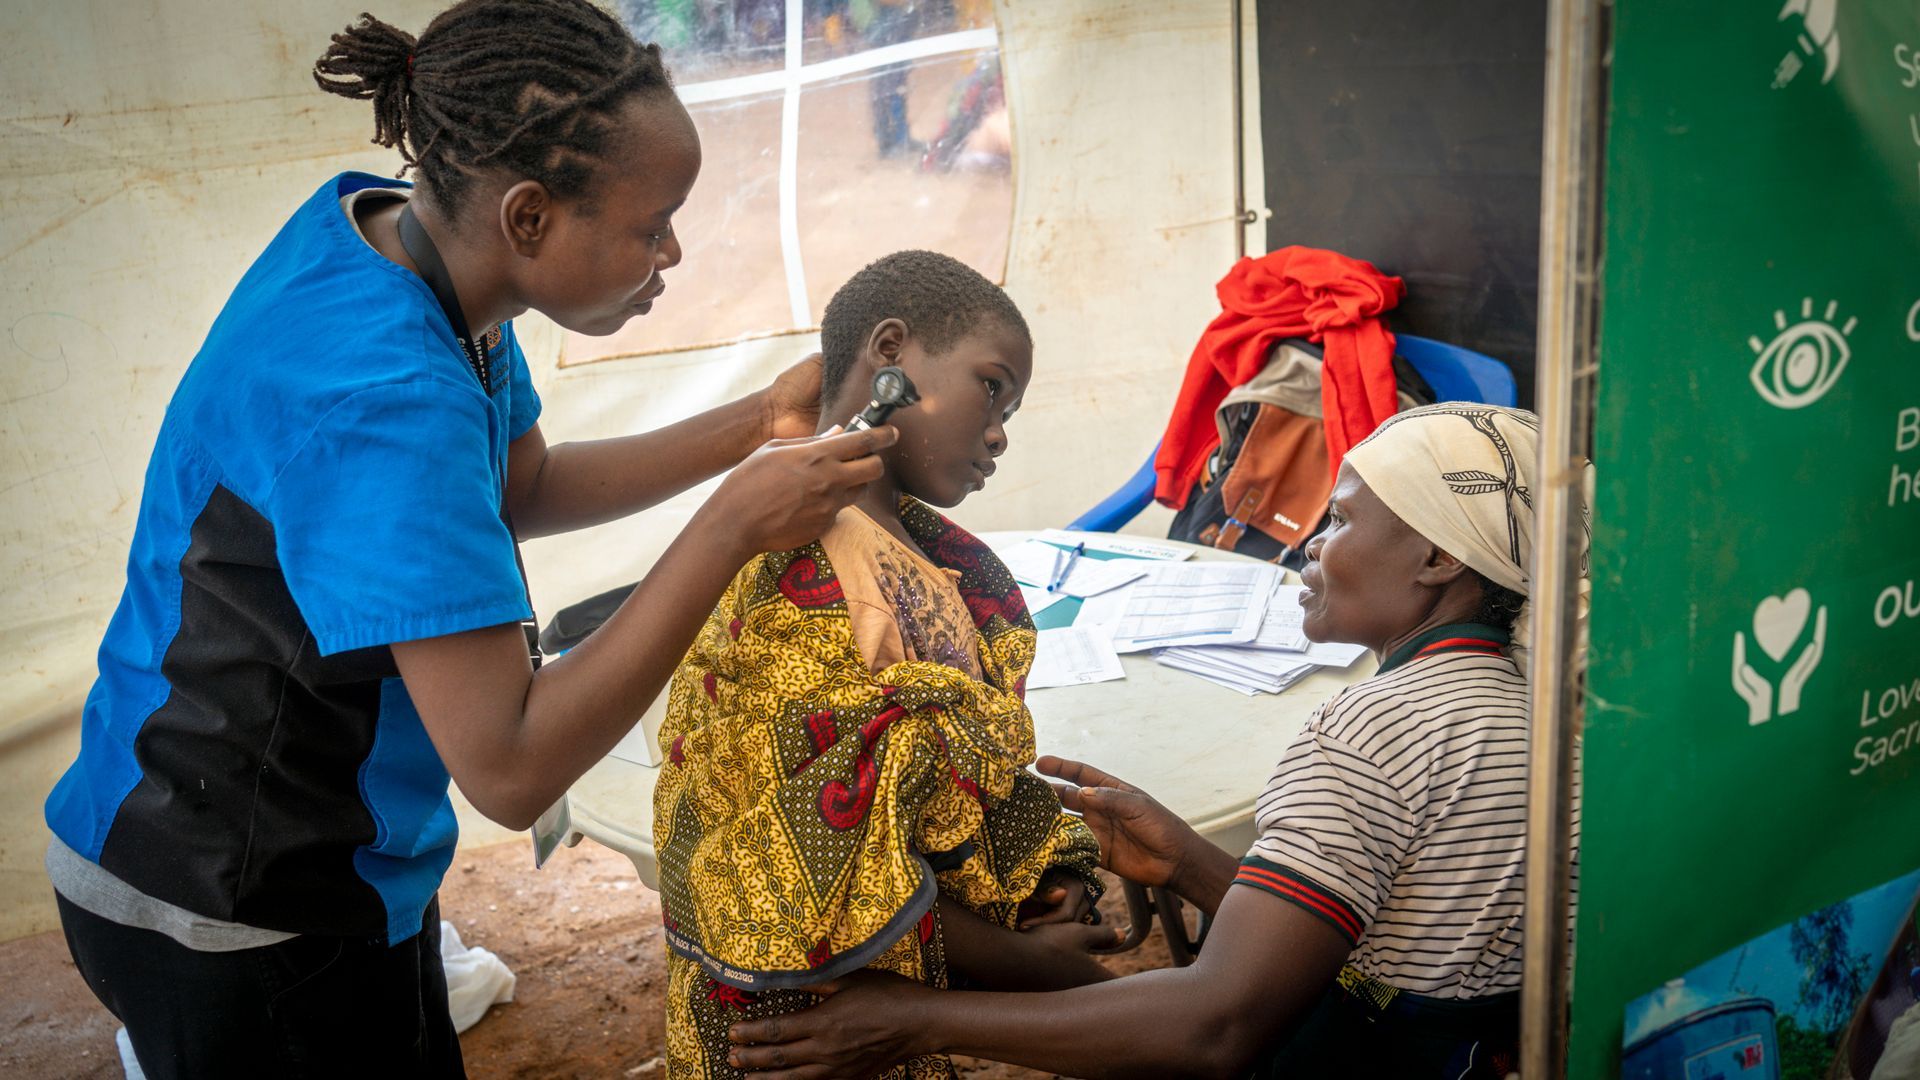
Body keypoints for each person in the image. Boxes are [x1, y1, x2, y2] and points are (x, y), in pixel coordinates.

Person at [39, 2, 897, 1075]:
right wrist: (728, 528)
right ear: (530, 218)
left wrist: (754, 427)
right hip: (234, 907)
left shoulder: (405, 247)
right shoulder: (383, 397)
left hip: (296, 857)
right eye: (652, 222)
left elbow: (517, 480)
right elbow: (512, 765)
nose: (673, 250)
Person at [726, 403, 1586, 1079]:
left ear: (1438, 558)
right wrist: (1191, 865)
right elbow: (1401, 941)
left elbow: (1217, 1027)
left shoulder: (1374, 730)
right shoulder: (1521, 706)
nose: (1312, 551)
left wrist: (911, 1020)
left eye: (1343, 523)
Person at [652, 251, 1112, 1078]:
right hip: (798, 1042)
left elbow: (940, 785)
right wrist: (1048, 973)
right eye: (993, 387)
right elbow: (813, 877)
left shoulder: (920, 557)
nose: (1002, 429)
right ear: (890, 351)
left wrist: (1041, 878)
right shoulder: (811, 571)